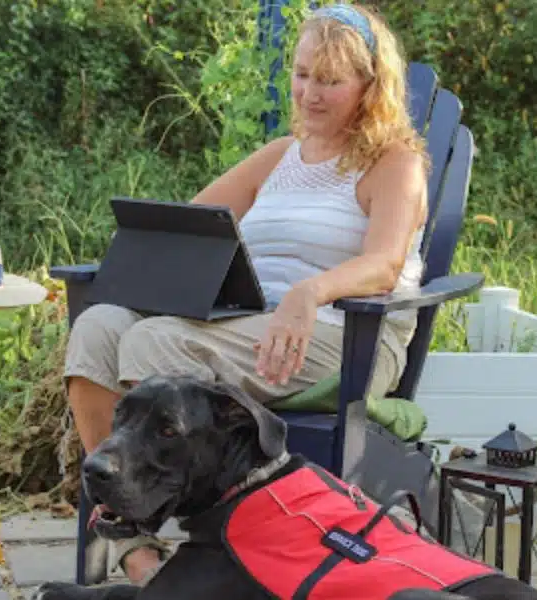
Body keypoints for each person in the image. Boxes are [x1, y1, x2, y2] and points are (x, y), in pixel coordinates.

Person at [63, 2, 429, 586]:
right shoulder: (279, 157)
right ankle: (131, 537)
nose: (309, 92)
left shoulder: (394, 163)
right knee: (99, 326)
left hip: (342, 337)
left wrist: (310, 292)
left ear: (369, 86)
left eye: (330, 80)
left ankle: (173, 523)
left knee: (154, 342)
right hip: (249, 327)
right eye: (303, 73)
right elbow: (186, 227)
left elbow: (384, 264)